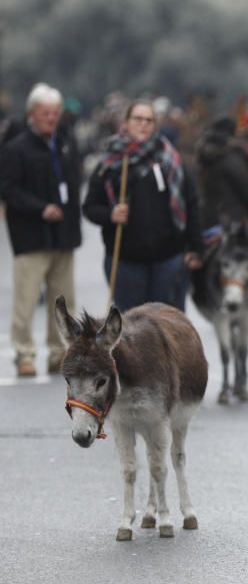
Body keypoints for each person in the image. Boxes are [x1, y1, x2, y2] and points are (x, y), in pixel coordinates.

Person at [83, 100, 203, 312]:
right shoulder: (110, 163)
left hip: (168, 259)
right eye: (137, 119)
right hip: (125, 261)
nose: (143, 124)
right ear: (126, 123)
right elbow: (90, 207)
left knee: (166, 329)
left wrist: (195, 247)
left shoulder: (171, 159)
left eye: (149, 120)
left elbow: (191, 204)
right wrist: (111, 214)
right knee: (132, 330)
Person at [0, 83, 81, 377]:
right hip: (31, 237)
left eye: (55, 112)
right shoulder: (15, 148)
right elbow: (7, 189)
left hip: (63, 236)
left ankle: (59, 352)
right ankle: (24, 353)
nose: (51, 118)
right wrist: (39, 208)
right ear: (32, 113)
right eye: (46, 112)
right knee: (26, 300)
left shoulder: (66, 143)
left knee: (64, 303)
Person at [195, 116, 248, 230]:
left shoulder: (203, 155)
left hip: (208, 216)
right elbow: (245, 186)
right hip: (233, 217)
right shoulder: (232, 156)